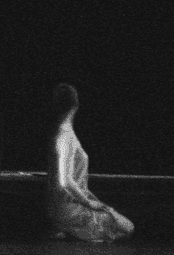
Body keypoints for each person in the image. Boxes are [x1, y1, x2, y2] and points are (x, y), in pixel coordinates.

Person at [45, 83, 133, 242]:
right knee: (127, 228)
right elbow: (65, 181)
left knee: (114, 217)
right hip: (69, 209)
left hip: (63, 206)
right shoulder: (65, 136)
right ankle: (69, 228)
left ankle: (67, 229)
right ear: (76, 105)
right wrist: (88, 202)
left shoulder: (60, 133)